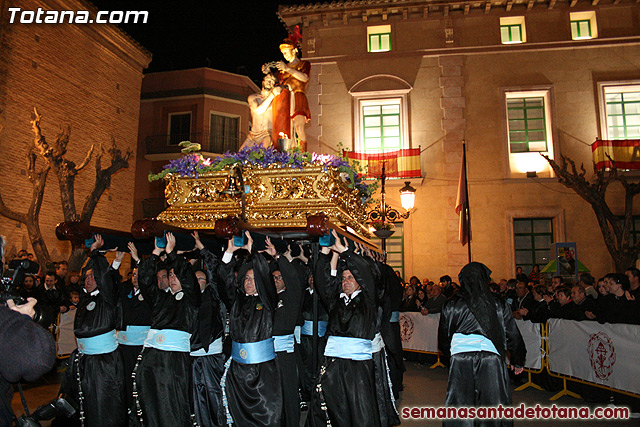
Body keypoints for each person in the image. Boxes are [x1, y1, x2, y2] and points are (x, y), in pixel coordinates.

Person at [438, 262, 526, 427]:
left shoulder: (451, 303)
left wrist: (449, 357)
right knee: (492, 405)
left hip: (460, 358)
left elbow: (443, 336)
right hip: (490, 359)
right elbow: (512, 332)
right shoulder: (498, 303)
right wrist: (518, 359)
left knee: (461, 404)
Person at [307, 231, 380, 426]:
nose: (346, 281)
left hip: (358, 369)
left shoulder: (369, 300)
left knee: (359, 411)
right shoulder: (335, 302)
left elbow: (365, 271)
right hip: (333, 364)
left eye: (350, 278)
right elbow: (322, 281)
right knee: (331, 408)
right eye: (344, 278)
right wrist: (324, 252)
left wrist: (343, 251)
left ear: (360, 282)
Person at [59, 235, 127, 426]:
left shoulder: (107, 298)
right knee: (82, 403)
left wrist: (98, 254)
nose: (88, 280)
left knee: (103, 403)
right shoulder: (85, 298)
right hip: (83, 360)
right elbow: (86, 275)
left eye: (92, 277)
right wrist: (92, 254)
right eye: (86, 277)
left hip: (103, 362)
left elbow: (106, 278)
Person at [134, 232, 200, 427]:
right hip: (153, 357)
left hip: (174, 361)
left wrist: (172, 254)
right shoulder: (161, 298)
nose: (172, 278)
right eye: (170, 274)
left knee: (173, 403)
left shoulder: (191, 299)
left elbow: (188, 277)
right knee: (151, 402)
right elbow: (145, 281)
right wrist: (155, 253)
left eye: (175, 274)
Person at [218, 232, 282, 426]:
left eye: (253, 279)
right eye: (246, 278)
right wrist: (229, 252)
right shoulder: (237, 302)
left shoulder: (268, 301)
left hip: (263, 373)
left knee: (267, 417)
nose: (249, 282)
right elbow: (224, 283)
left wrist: (252, 251)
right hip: (238, 372)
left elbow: (263, 275)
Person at [189, 231, 227, 427]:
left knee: (214, 399)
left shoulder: (214, 297)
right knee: (196, 400)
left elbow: (214, 270)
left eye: (200, 280)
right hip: (192, 355)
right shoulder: (188, 300)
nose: (197, 283)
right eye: (194, 280)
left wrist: (202, 249)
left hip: (211, 356)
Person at [116, 242, 151, 426]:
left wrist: (138, 259)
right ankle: (128, 409)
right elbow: (110, 284)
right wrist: (117, 262)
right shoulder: (125, 289)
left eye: (139, 275)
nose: (136, 278)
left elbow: (150, 281)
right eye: (134, 275)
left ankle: (142, 411)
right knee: (125, 378)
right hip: (124, 343)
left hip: (141, 343)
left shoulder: (149, 292)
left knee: (139, 378)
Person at [273, 33, 311, 151]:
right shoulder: (282, 70)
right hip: (287, 99)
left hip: (298, 96)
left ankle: (304, 155)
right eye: (283, 54)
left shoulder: (303, 64)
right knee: (289, 129)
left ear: (294, 50)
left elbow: (304, 78)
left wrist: (288, 69)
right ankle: (293, 155)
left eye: (286, 52)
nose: (284, 56)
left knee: (299, 127)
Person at [240, 73, 283, 150]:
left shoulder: (276, 100)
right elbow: (258, 111)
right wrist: (272, 95)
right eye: (267, 80)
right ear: (263, 81)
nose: (269, 82)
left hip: (267, 134)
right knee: (239, 156)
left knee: (262, 154)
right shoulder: (253, 97)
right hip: (253, 135)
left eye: (272, 81)